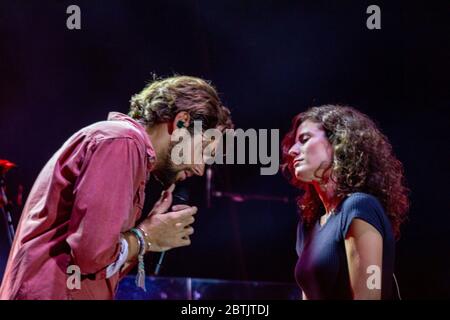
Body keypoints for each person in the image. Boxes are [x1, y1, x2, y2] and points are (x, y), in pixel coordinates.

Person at [0, 75, 233, 299]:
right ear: (181, 122)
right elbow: (91, 256)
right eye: (204, 150)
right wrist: (146, 236)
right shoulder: (122, 142)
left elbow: (98, 269)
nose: (200, 168)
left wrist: (149, 234)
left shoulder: (127, 151)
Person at [281, 105, 409, 300]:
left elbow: (368, 296)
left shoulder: (359, 207)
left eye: (304, 140)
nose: (291, 150)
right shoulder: (308, 226)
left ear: (337, 143)